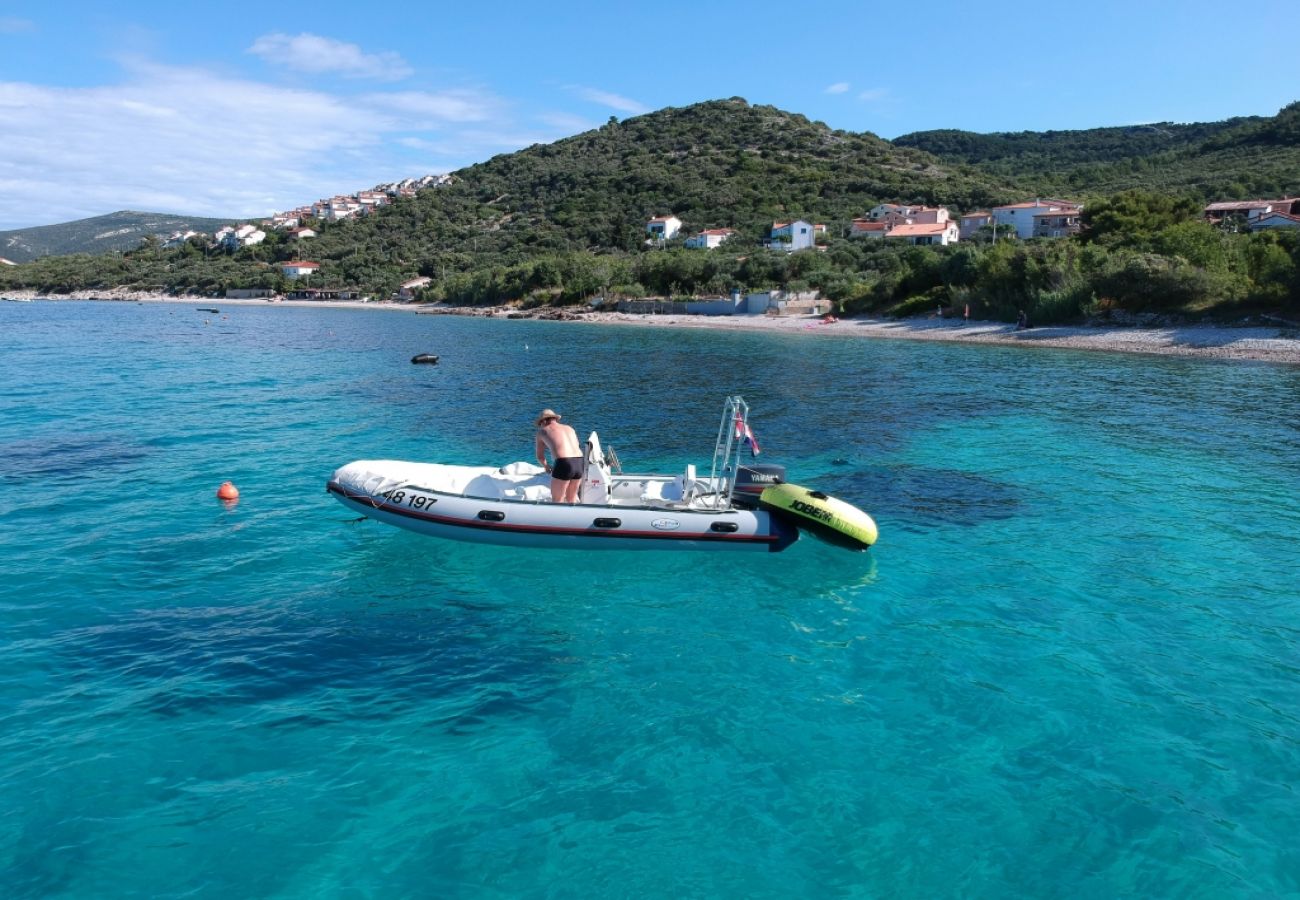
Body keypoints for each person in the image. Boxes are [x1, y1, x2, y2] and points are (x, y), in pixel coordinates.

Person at [534, 408, 583, 503]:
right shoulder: (569, 428)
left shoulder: (542, 431)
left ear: (544, 421)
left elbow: (540, 456)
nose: (541, 426)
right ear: (555, 419)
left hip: (564, 463)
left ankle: (556, 517)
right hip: (579, 462)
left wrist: (546, 467)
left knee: (557, 500)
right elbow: (576, 445)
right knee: (571, 499)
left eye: (540, 424)